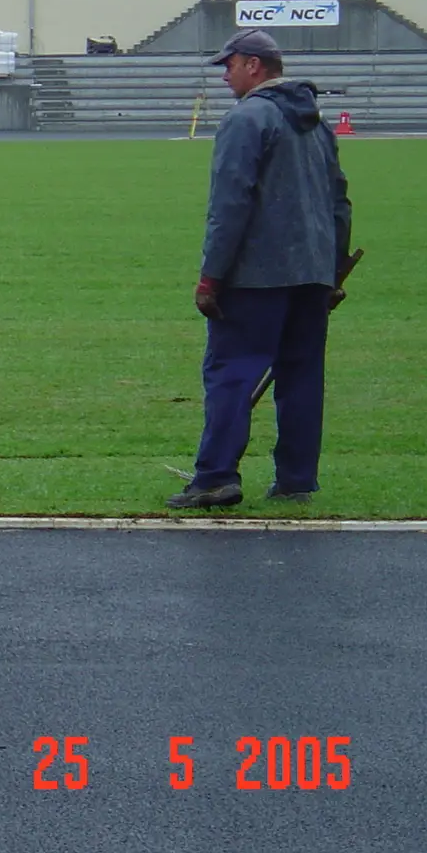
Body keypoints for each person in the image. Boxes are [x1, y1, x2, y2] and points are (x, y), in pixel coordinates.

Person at [170, 29, 353, 509]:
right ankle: (295, 479)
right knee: (301, 377)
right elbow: (339, 204)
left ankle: (215, 476)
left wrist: (211, 276)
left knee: (231, 373)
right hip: (311, 273)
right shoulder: (318, 126)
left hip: (255, 276)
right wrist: (331, 272)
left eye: (228, 65)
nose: (225, 75)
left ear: (253, 65)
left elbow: (230, 204)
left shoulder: (246, 119)